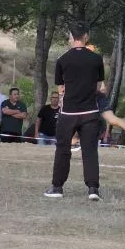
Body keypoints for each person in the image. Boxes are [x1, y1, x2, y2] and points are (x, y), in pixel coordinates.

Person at [45, 22, 106, 201]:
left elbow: (61, 89)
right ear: (86, 36)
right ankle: (93, 189)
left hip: (68, 113)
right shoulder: (97, 59)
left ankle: (57, 187)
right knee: (90, 151)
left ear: (71, 37)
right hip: (90, 112)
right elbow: (99, 87)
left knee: (63, 150)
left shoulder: (62, 59)